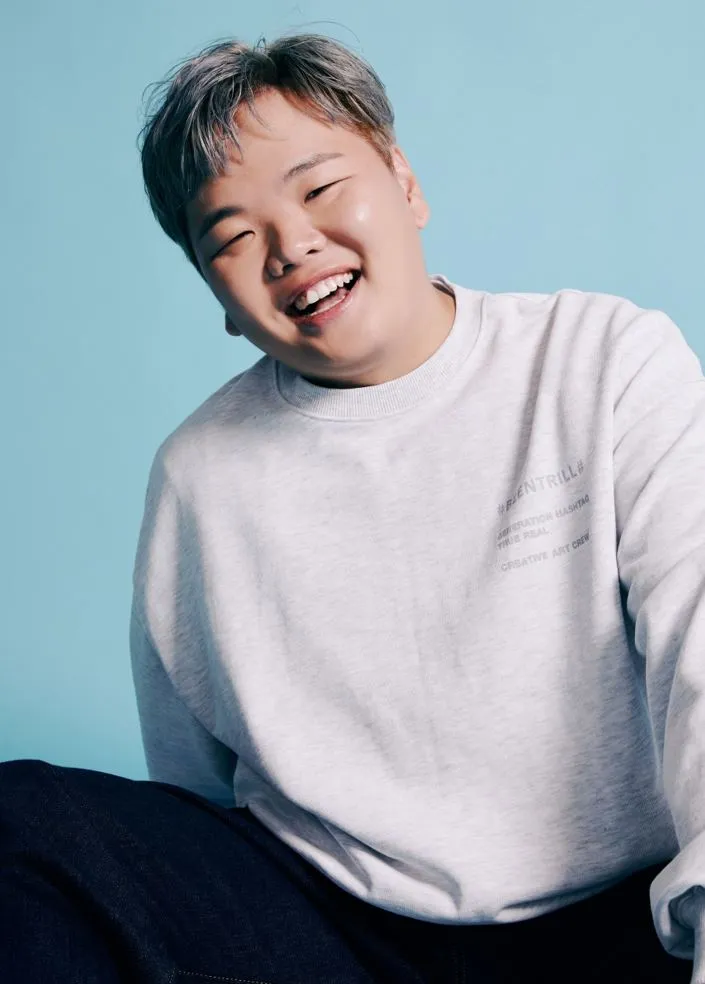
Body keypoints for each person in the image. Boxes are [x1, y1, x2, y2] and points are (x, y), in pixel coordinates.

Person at [1, 30, 703, 984]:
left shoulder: (603, 359)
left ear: (404, 184)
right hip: (336, 926)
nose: (292, 246)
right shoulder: (200, 475)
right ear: (216, 295)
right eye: (233, 237)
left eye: (320, 188)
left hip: (614, 922)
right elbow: (193, 792)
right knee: (26, 824)